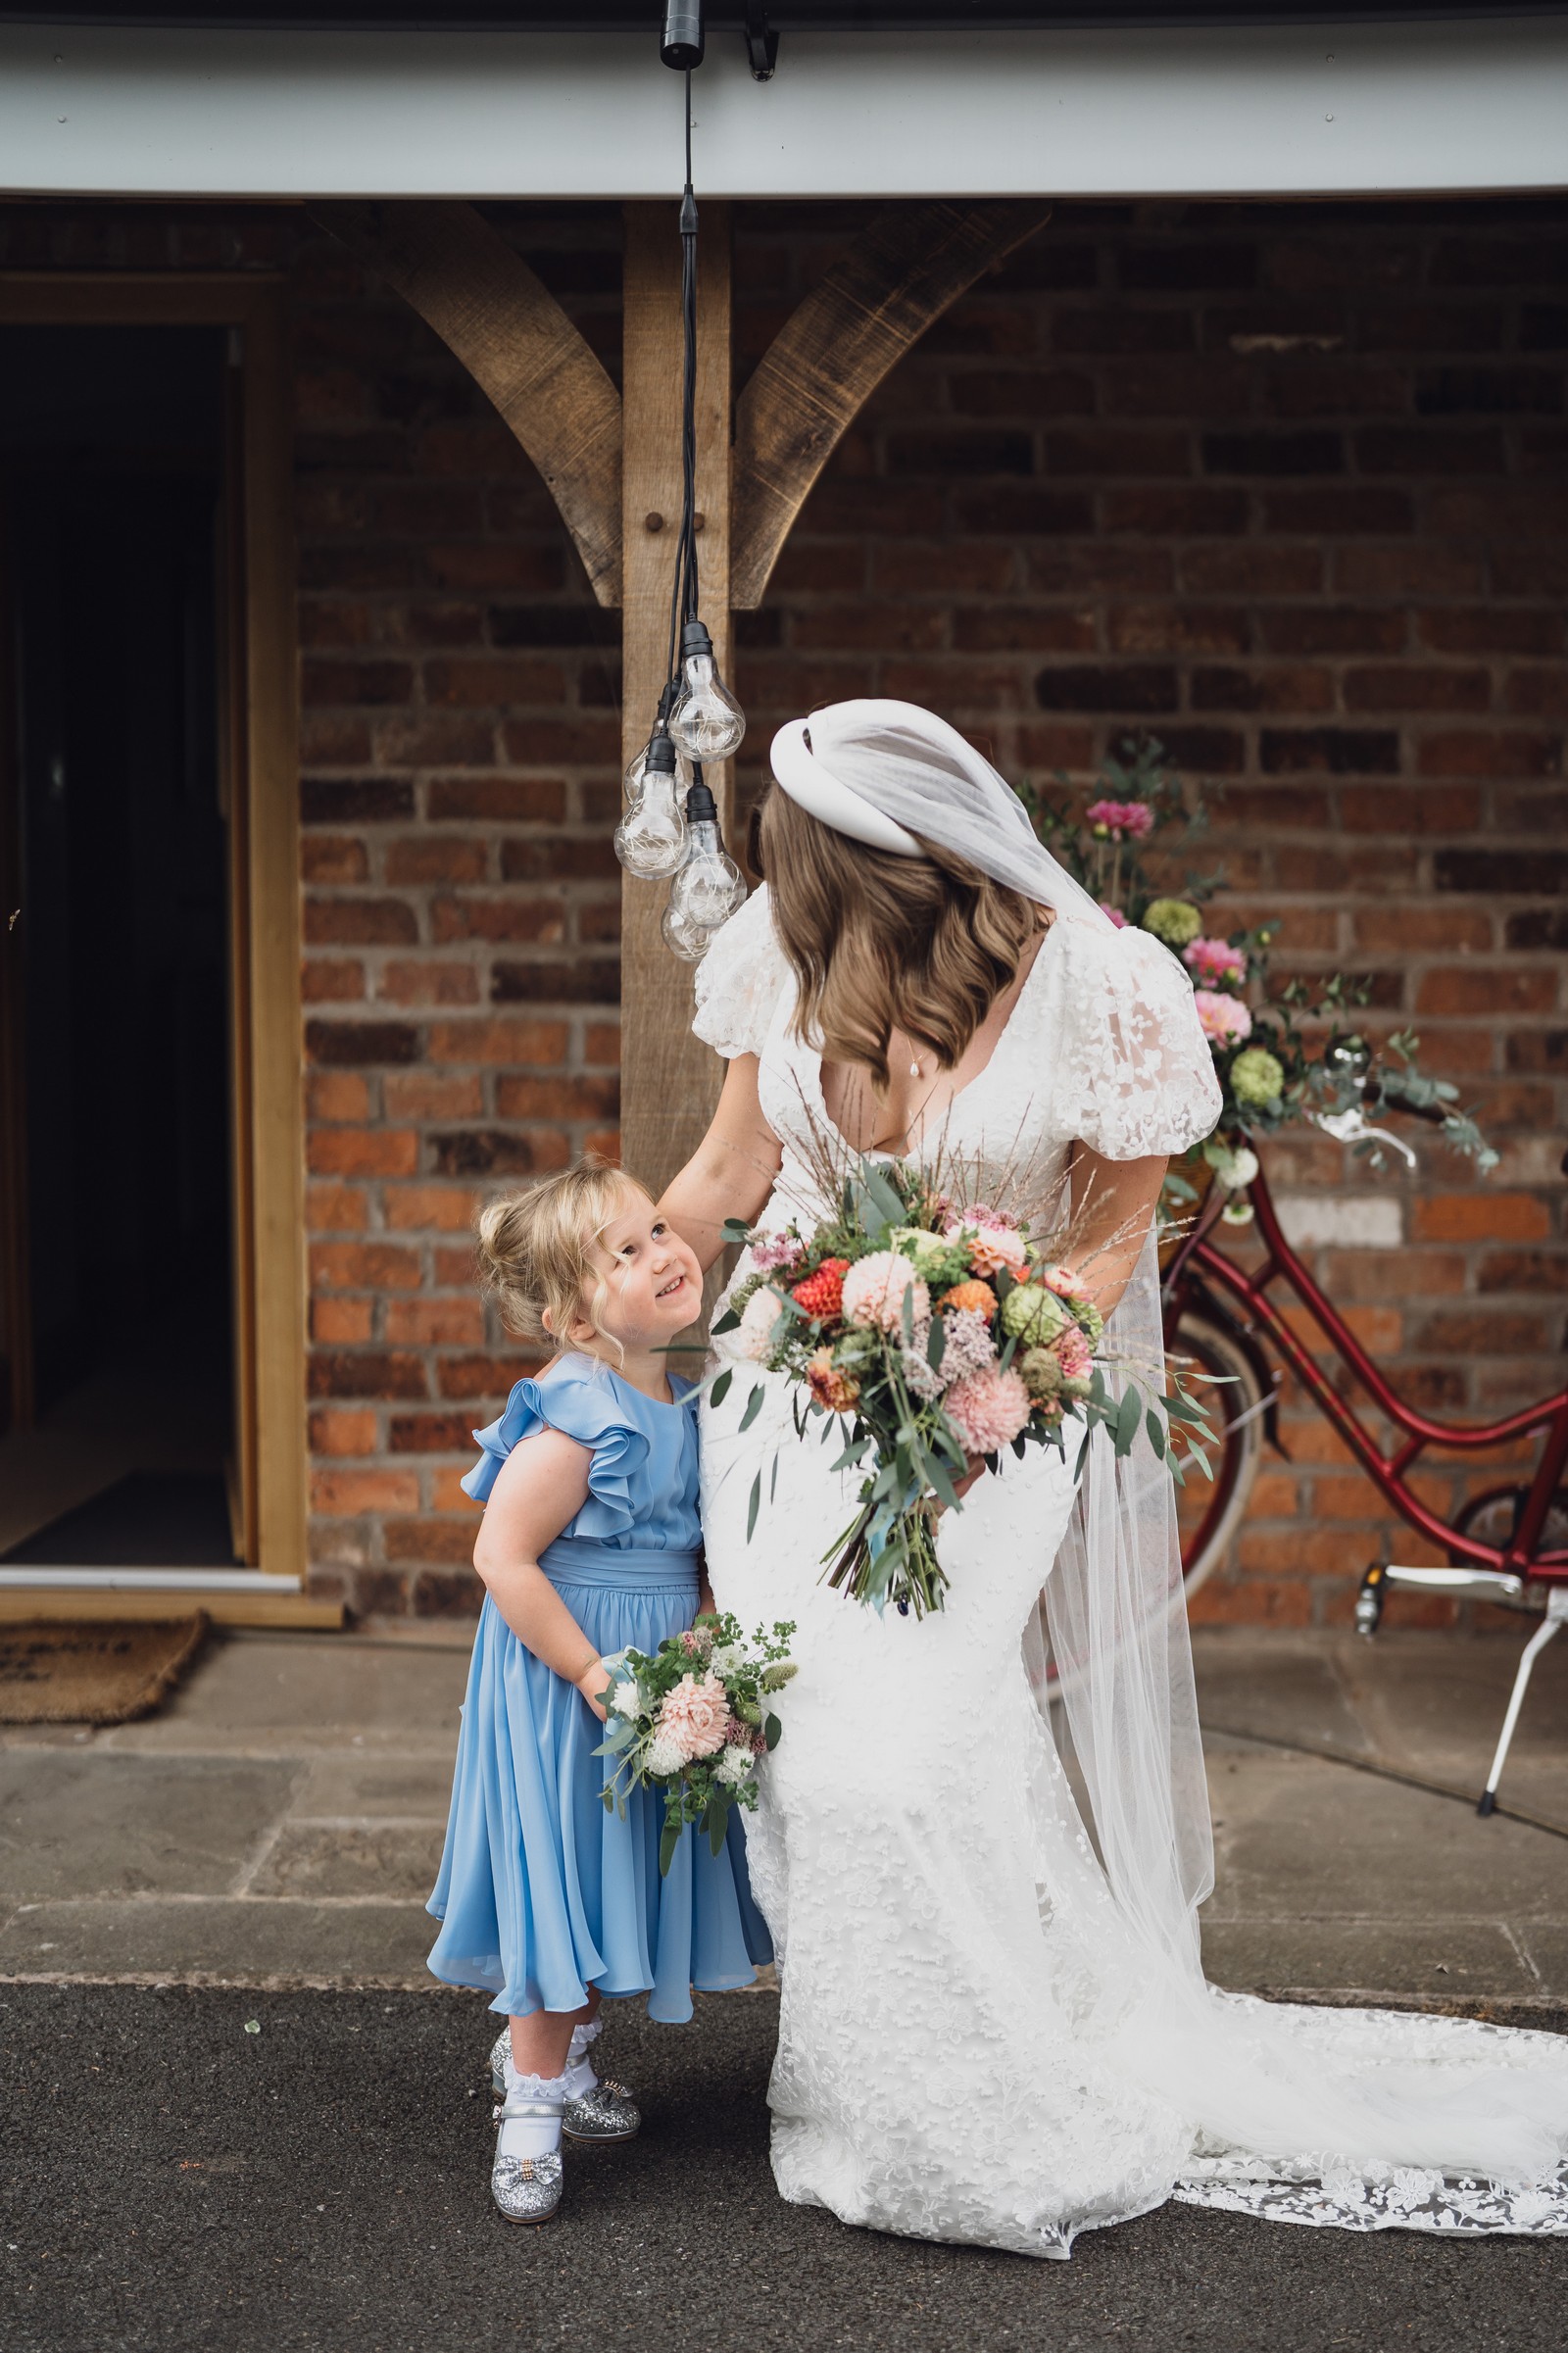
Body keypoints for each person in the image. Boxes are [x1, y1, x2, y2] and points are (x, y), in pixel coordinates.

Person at [660, 697, 1568, 2257]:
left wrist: (971, 1371)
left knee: (916, 1742)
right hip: (792, 1410)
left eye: (795, 861)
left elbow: (1105, 1243)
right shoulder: (782, 957)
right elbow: (732, 1178)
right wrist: (593, 1321)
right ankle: (873, 2085)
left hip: (1004, 1403)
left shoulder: (1100, 984)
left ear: (884, 862)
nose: (774, 884)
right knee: (813, 1758)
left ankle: (979, 2095)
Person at [426, 1160, 772, 2224]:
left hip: (649, 1663)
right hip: (563, 1677)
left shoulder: (679, 1395)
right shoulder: (576, 1415)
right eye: (625, 1252)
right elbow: (503, 1557)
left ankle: (568, 2060)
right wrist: (586, 1668)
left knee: (611, 1860)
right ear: (572, 1318)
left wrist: (707, 1627)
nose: (665, 1251)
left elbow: (690, 1545)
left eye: (658, 1227)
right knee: (558, 1875)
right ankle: (530, 2105)